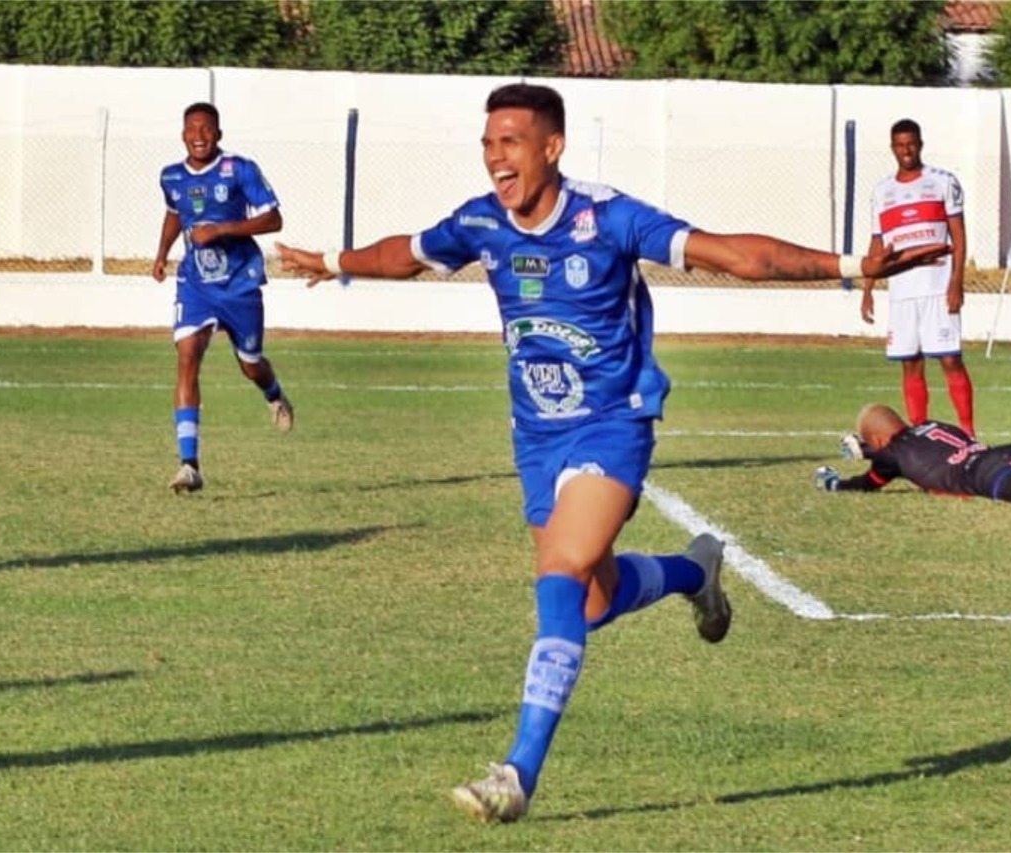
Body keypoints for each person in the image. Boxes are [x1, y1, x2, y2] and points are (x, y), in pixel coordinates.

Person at [277, 83, 948, 823]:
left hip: (612, 424)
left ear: (551, 148)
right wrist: (333, 257)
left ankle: (517, 771)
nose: (496, 157)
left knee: (559, 579)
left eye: (511, 142)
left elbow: (732, 255)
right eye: (488, 142)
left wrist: (852, 266)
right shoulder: (481, 221)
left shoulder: (608, 218)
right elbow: (407, 254)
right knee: (589, 601)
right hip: (535, 434)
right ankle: (694, 569)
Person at [152, 102, 294, 494]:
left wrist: (222, 230)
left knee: (250, 364)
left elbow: (273, 218)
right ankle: (189, 464)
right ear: (183, 134)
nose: (199, 136)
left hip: (240, 282)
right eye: (192, 129)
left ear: (218, 134)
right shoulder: (171, 176)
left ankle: (274, 393)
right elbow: (174, 213)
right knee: (187, 355)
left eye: (206, 129)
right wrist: (162, 253)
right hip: (196, 283)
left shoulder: (239, 169)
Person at [859, 119, 976, 436]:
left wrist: (956, 282)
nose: (906, 150)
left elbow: (959, 236)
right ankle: (920, 433)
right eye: (899, 145)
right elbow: (877, 242)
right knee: (910, 362)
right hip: (901, 291)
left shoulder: (943, 181)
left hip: (937, 287)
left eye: (911, 143)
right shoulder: (882, 191)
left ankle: (968, 434)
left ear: (920, 144)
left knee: (950, 359)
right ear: (892, 148)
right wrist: (868, 289)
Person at [813, 403, 1011, 502]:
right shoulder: (928, 425)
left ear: (878, 440)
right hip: (1004, 452)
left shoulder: (892, 455)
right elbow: (927, 451)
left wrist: (836, 485)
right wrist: (865, 451)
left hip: (982, 473)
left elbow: (868, 483)